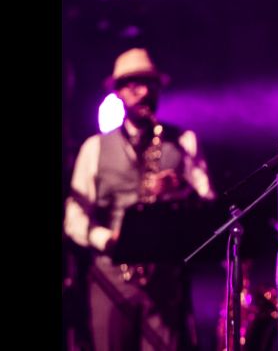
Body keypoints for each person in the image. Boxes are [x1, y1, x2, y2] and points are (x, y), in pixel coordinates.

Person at [63, 47, 215, 351]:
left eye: (149, 84)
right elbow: (74, 218)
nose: (144, 92)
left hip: (165, 278)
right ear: (118, 92)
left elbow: (209, 202)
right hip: (111, 276)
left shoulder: (184, 141)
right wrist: (107, 239)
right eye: (134, 85)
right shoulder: (94, 147)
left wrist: (180, 190)